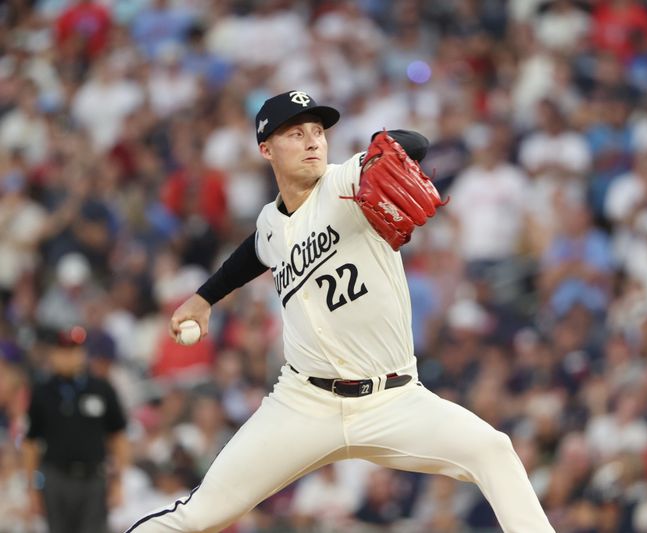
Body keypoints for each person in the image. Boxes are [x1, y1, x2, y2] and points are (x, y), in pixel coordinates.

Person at [126, 90, 555, 532]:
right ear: (266, 149)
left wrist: (377, 153)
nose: (313, 141)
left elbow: (415, 144)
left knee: (493, 450)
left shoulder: (346, 182)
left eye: (317, 132)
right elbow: (256, 249)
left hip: (393, 398)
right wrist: (204, 298)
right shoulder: (271, 222)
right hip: (303, 403)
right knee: (198, 516)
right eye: (296, 133)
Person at [23, 325, 129, 533]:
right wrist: (33, 488)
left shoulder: (101, 388)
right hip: (55, 478)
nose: (70, 356)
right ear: (53, 353)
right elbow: (30, 442)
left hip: (94, 478)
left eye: (75, 350)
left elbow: (118, 437)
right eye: (64, 350)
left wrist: (118, 481)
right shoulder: (42, 391)